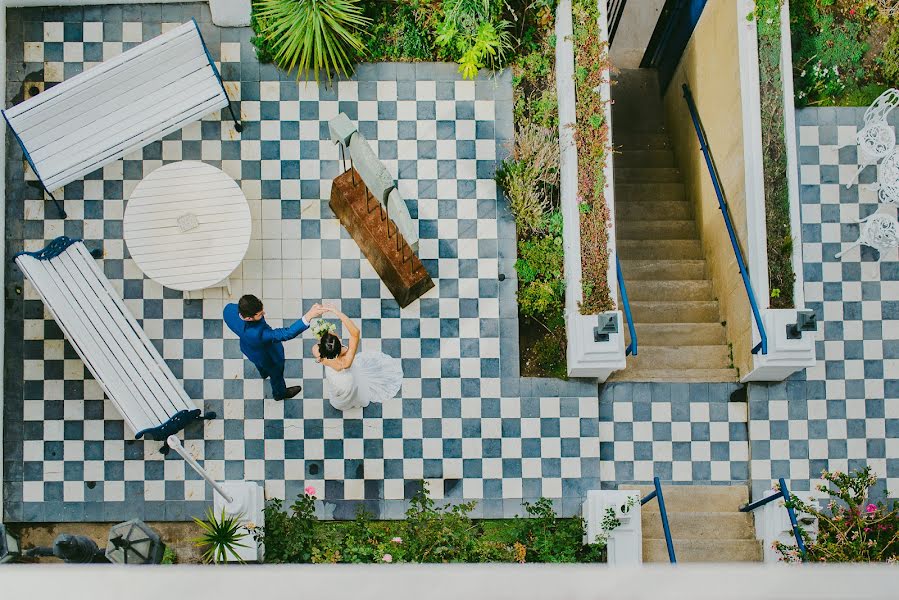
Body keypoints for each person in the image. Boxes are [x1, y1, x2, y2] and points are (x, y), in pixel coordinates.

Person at [223, 294, 328, 401]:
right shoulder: (258, 334)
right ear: (249, 318)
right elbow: (287, 333)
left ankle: (263, 374)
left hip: (249, 349)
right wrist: (309, 315)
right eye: (260, 314)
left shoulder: (228, 310)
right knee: (276, 375)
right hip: (269, 356)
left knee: (260, 365)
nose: (264, 313)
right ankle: (279, 394)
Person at [312, 307, 403, 411]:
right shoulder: (346, 359)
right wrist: (336, 311)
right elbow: (355, 332)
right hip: (348, 379)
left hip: (334, 377)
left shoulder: (318, 352)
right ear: (338, 345)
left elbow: (320, 347)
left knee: (339, 390)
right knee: (353, 389)